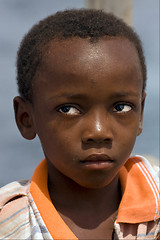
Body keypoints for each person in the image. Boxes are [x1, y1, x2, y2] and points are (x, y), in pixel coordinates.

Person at [0, 9, 159, 240]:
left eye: (121, 107)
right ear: (26, 119)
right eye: (68, 109)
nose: (98, 132)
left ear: (141, 113)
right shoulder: (8, 224)